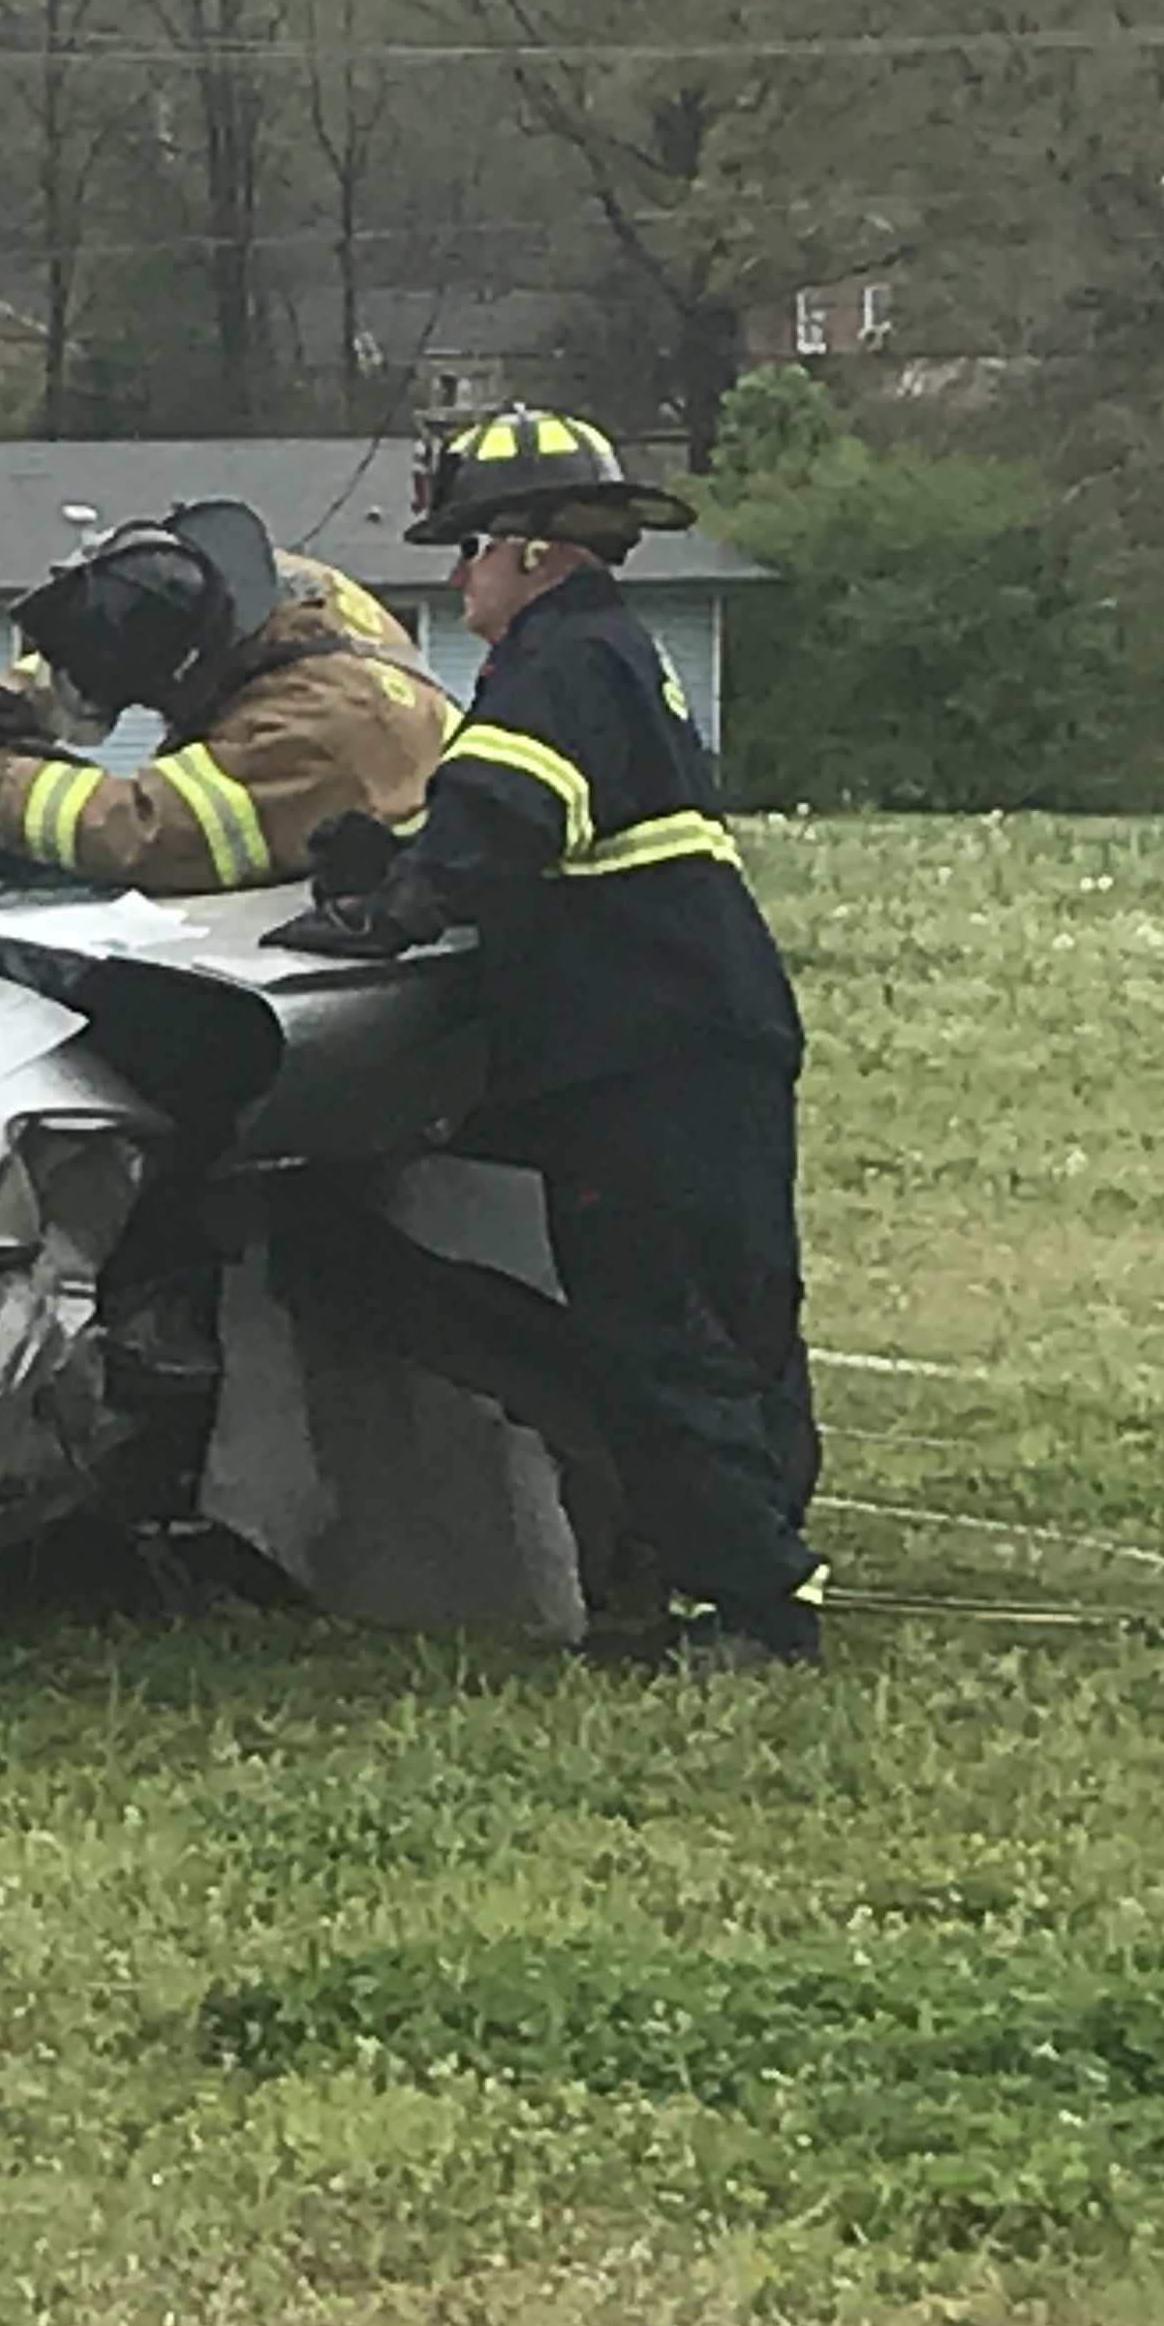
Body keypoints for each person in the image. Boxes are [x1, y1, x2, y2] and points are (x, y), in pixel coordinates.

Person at [270, 405, 820, 1670]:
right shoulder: (610, 653)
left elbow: (509, 817)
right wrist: (397, 862)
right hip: (701, 1031)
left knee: (664, 1322)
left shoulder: (555, 661)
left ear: (526, 548)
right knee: (739, 1313)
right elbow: (543, 822)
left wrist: (393, 910)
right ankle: (763, 1574)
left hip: (637, 1051)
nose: (456, 576)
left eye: (466, 549)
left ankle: (748, 1608)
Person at [0, 499, 456, 891]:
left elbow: (146, 834)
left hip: (393, 894)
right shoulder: (267, 588)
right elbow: (126, 622)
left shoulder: (313, 731)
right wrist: (0, 703)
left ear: (181, 679)